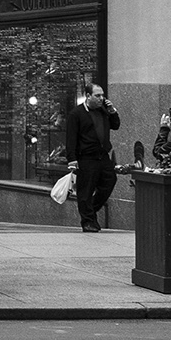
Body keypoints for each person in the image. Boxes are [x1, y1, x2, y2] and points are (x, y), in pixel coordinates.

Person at [63, 83, 121, 233]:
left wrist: (112, 111)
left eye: (102, 95)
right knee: (85, 190)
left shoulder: (103, 111)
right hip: (86, 157)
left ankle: (91, 210)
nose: (101, 98)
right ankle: (88, 222)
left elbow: (116, 125)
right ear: (88, 96)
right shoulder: (76, 114)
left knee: (110, 180)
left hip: (103, 156)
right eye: (97, 95)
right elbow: (71, 138)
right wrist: (72, 159)